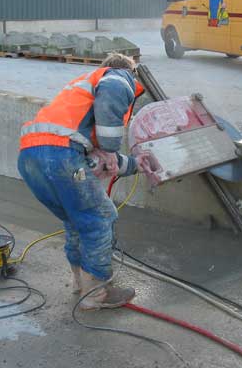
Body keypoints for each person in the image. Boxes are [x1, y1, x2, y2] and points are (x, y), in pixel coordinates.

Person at [18, 53, 147, 310]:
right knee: (100, 217)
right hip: (60, 156)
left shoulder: (78, 103)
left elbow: (100, 161)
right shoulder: (117, 76)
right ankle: (96, 293)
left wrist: (136, 164)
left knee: (76, 218)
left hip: (30, 157)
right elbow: (114, 92)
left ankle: (79, 282)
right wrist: (111, 146)